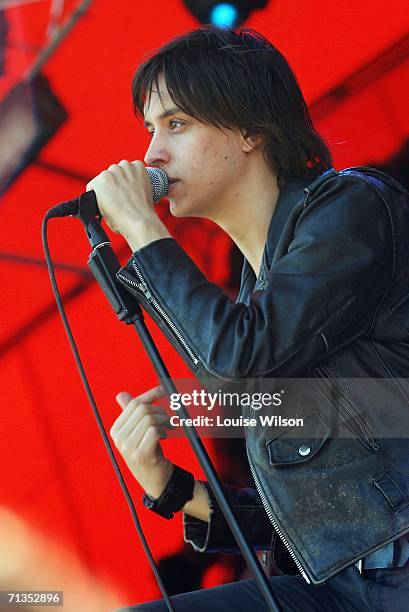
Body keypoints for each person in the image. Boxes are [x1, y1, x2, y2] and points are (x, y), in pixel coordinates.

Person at [86, 26, 409, 611]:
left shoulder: (354, 208)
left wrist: (142, 230)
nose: (151, 153)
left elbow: (239, 363)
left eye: (176, 125)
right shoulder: (253, 298)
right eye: (150, 130)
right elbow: (315, 516)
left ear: (250, 130)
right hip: (337, 586)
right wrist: (170, 486)